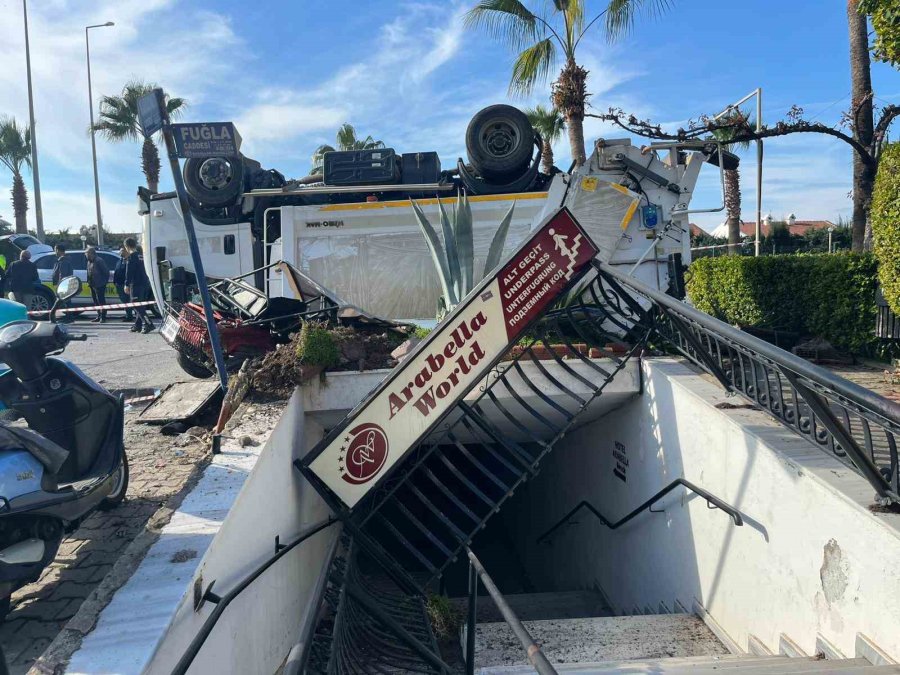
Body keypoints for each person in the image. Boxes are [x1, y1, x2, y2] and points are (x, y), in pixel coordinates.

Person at [123, 237, 155, 334]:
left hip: (136, 284)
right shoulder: (142, 256)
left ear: (126, 246)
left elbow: (129, 272)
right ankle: (138, 325)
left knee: (136, 304)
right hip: (145, 284)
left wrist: (126, 284)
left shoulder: (132, 257)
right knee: (140, 305)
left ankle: (148, 323)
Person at [85, 247, 110, 323]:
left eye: (86, 253)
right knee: (95, 301)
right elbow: (88, 272)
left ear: (91, 253)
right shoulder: (89, 261)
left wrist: (103, 282)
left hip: (100, 284)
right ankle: (99, 315)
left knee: (101, 301)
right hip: (92, 284)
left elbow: (106, 272)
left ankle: (103, 317)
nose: (85, 255)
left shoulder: (99, 261)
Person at [52, 245, 75, 322]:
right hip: (65, 284)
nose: (54, 252)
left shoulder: (63, 261)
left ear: (58, 250)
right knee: (66, 302)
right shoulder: (61, 260)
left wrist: (60, 285)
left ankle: (69, 318)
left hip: (64, 285)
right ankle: (69, 317)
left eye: (55, 250)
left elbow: (62, 275)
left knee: (65, 301)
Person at [113, 247, 133, 322]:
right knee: (124, 300)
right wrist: (114, 281)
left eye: (121, 251)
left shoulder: (129, 261)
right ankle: (127, 314)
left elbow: (128, 273)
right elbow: (116, 271)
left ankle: (129, 316)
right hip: (119, 284)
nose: (120, 252)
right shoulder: (119, 260)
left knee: (127, 300)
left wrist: (127, 283)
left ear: (126, 251)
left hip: (125, 284)